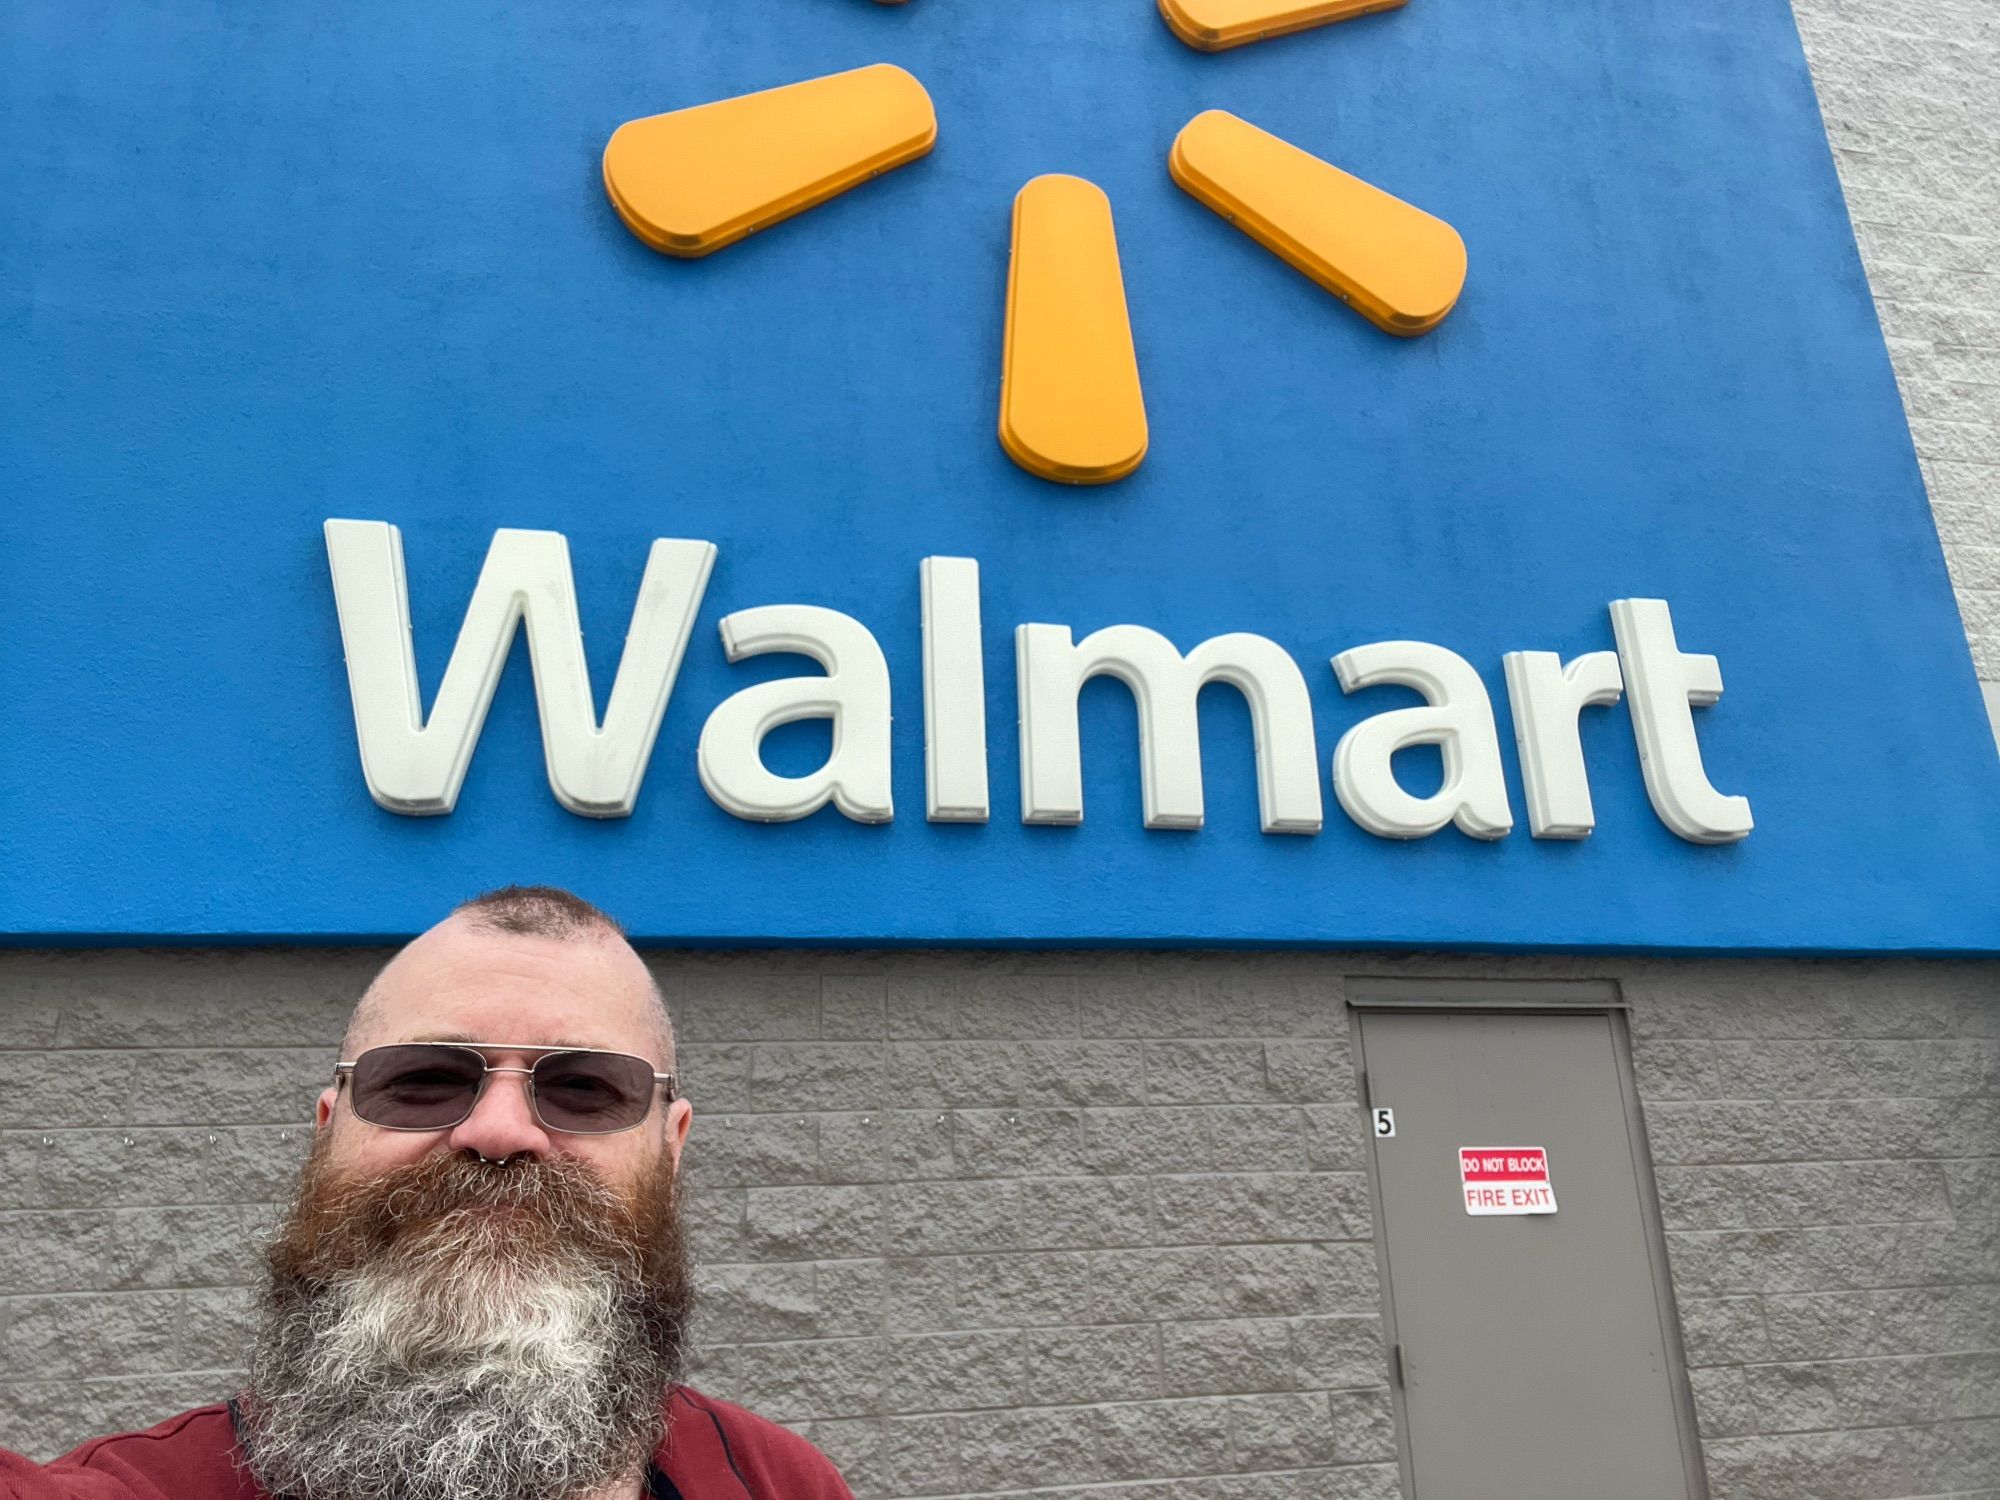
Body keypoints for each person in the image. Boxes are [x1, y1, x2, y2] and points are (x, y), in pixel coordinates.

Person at [0, 886, 852, 1500]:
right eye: (423, 1081)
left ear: (671, 1151)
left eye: (586, 1089)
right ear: (328, 1128)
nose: (500, 1129)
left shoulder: (779, 1481)